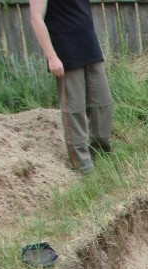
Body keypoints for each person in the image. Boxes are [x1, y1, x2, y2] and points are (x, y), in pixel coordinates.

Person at [29, 0, 113, 174]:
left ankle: (102, 156)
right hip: (66, 51)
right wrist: (52, 57)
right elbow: (36, 18)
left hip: (90, 48)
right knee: (74, 110)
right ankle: (82, 167)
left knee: (103, 104)